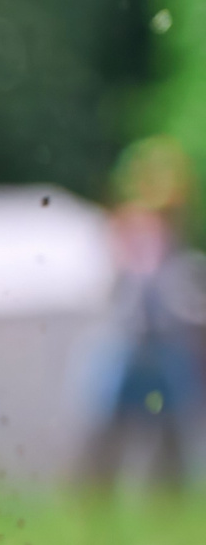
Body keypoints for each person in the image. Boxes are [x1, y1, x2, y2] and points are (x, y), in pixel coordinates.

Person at [81, 136, 206, 490]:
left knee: (170, 435)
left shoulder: (174, 238)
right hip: (127, 342)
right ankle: (94, 501)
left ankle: (166, 503)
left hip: (163, 345)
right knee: (106, 433)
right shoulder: (128, 230)